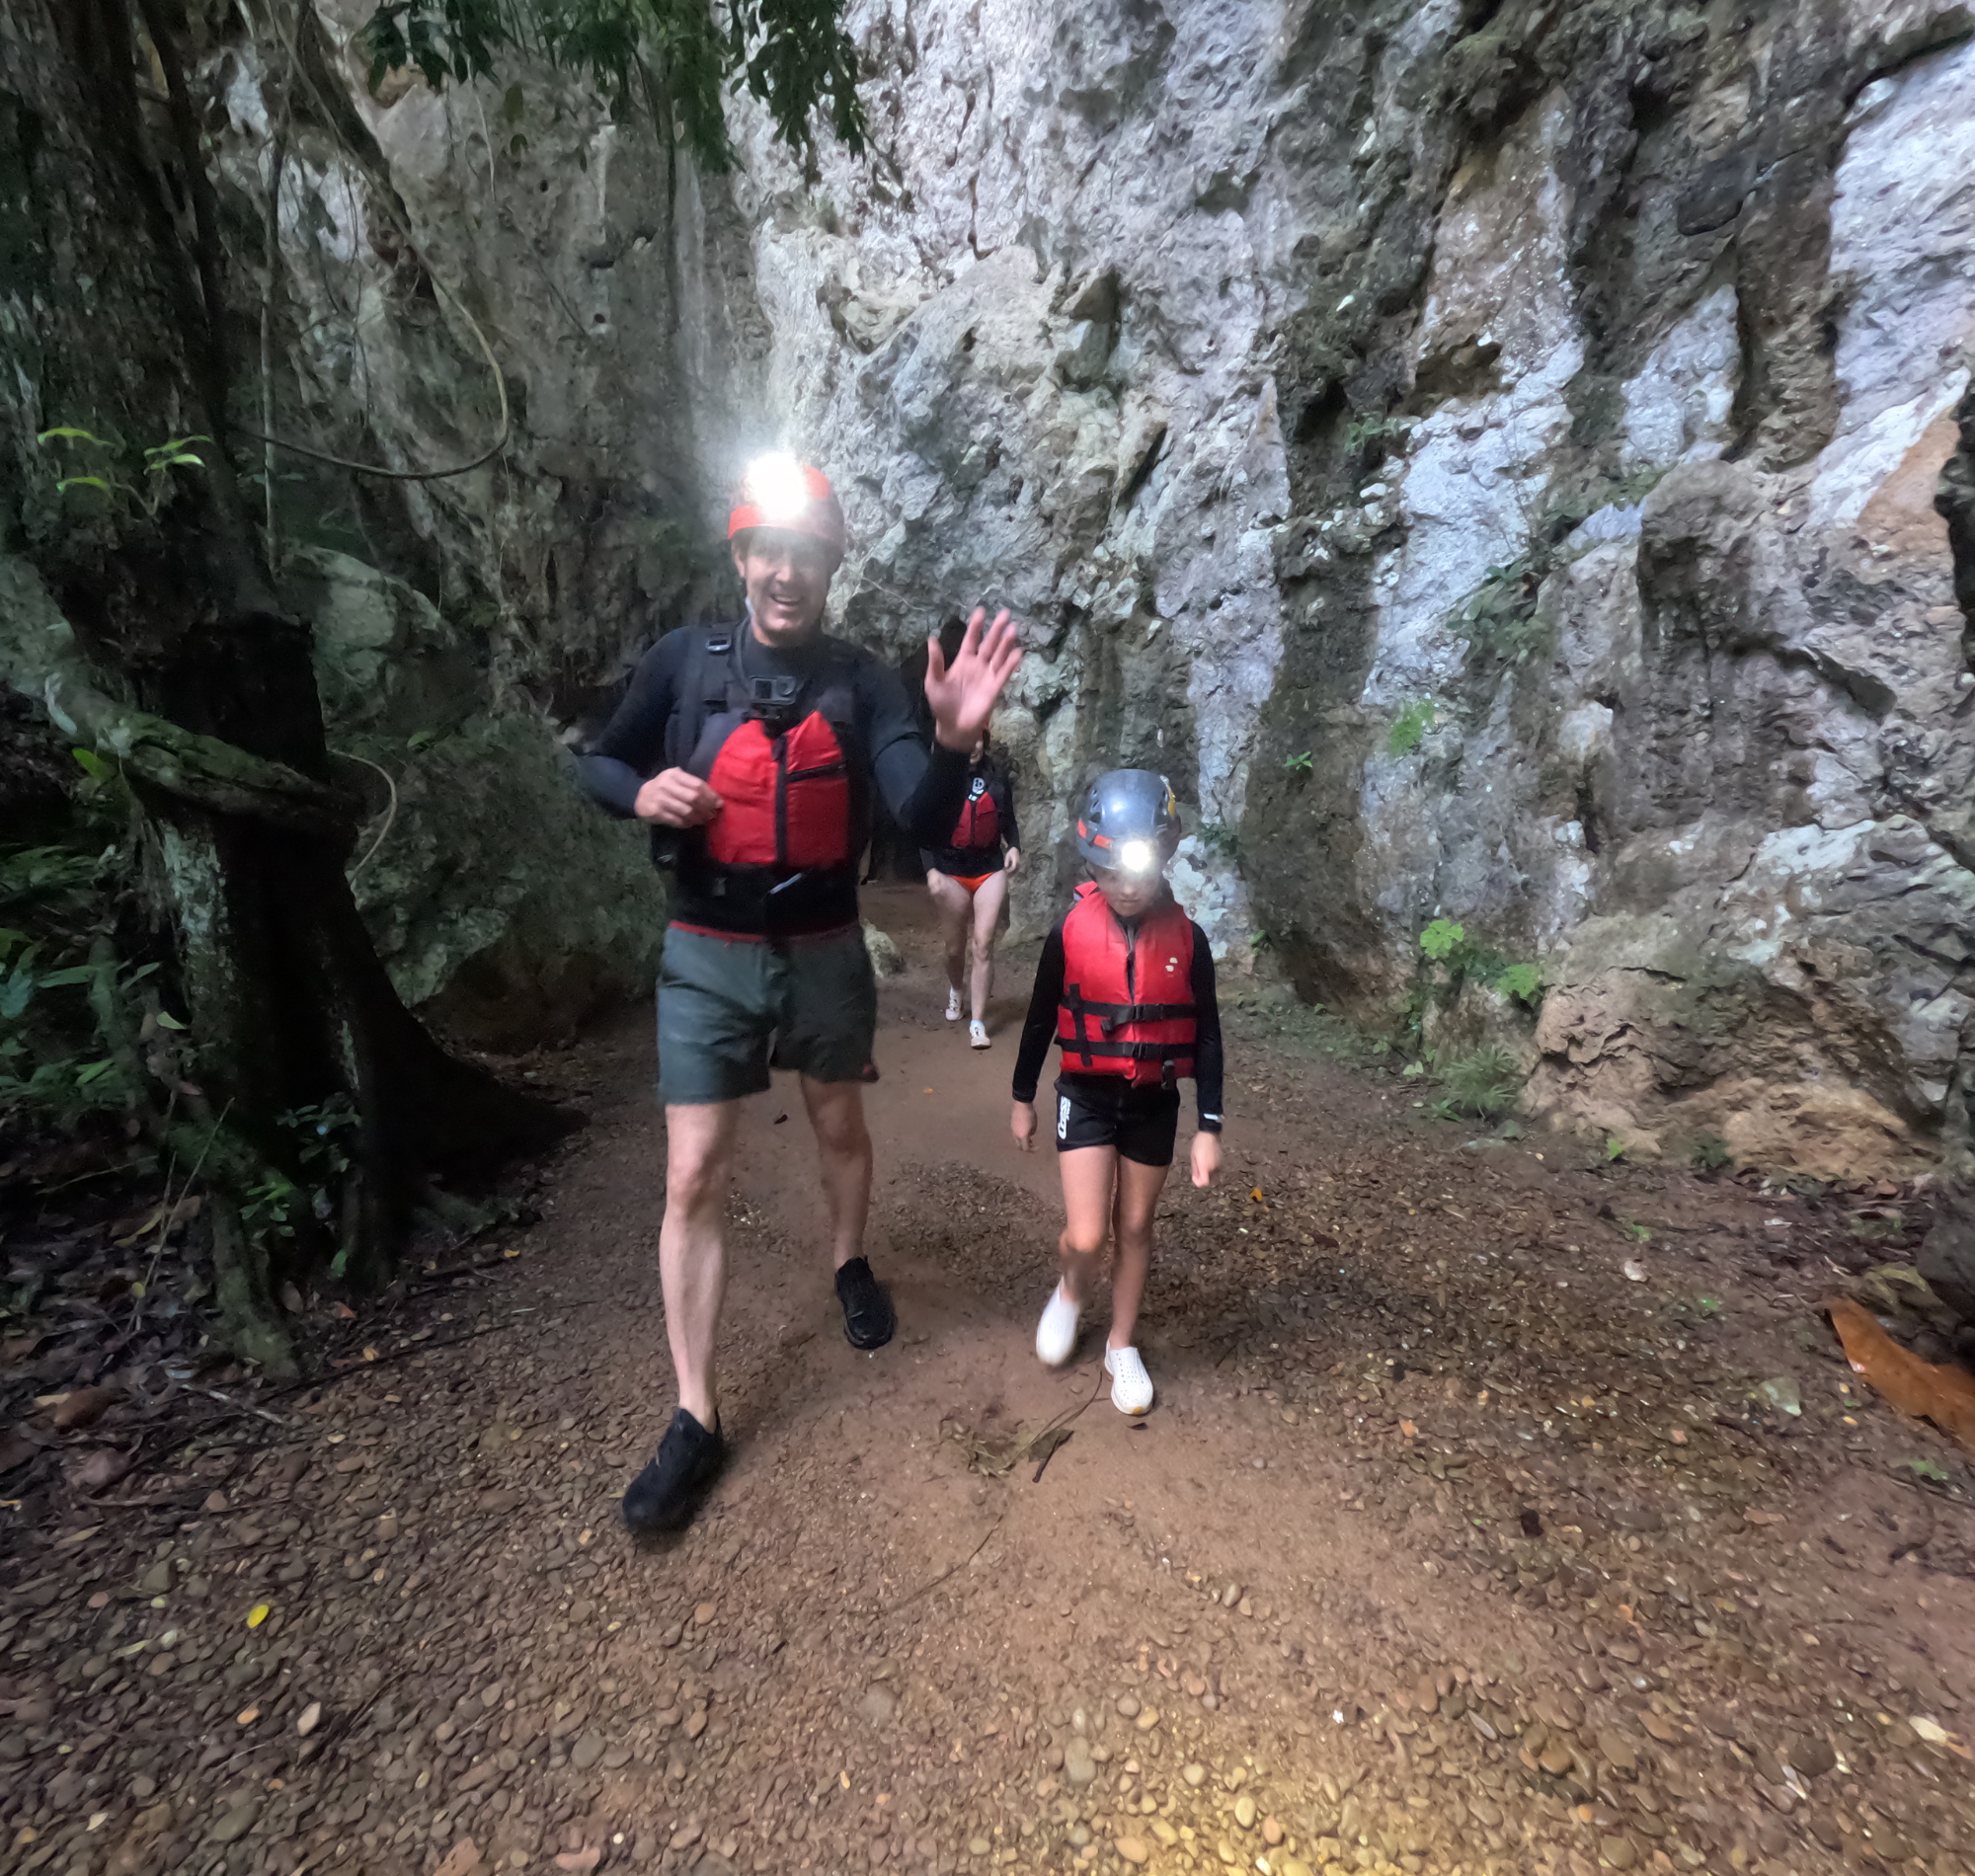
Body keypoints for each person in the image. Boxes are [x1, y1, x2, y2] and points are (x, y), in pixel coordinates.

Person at [577, 453, 1023, 1533]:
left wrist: (956, 737)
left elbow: (919, 813)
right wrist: (643, 792)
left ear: (829, 564)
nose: (785, 571)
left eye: (806, 553)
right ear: (740, 555)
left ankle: (849, 1260)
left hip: (822, 943)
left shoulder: (865, 681)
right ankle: (694, 1413)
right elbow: (597, 762)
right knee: (691, 1172)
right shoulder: (683, 664)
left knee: (835, 1121)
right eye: (765, 549)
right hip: (706, 945)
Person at [1009, 769, 1224, 1414]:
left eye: (1138, 869)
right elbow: (1042, 1018)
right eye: (1109, 872)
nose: (1125, 886)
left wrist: (1209, 1127)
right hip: (1087, 1093)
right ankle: (1071, 1292)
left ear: (1166, 855)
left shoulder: (1190, 942)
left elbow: (1207, 1036)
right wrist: (1022, 1097)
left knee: (1134, 1225)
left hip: (1154, 1102)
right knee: (1085, 1235)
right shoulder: (1068, 931)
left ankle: (1121, 1344)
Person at [922, 732, 1021, 1048]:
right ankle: (956, 990)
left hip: (989, 869)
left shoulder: (997, 776)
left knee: (983, 944)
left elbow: (1009, 821)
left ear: (984, 741)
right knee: (955, 949)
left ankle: (978, 1023)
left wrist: (1014, 847)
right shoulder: (939, 779)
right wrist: (931, 870)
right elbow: (921, 830)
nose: (974, 747)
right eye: (967, 741)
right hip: (951, 870)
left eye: (978, 740)